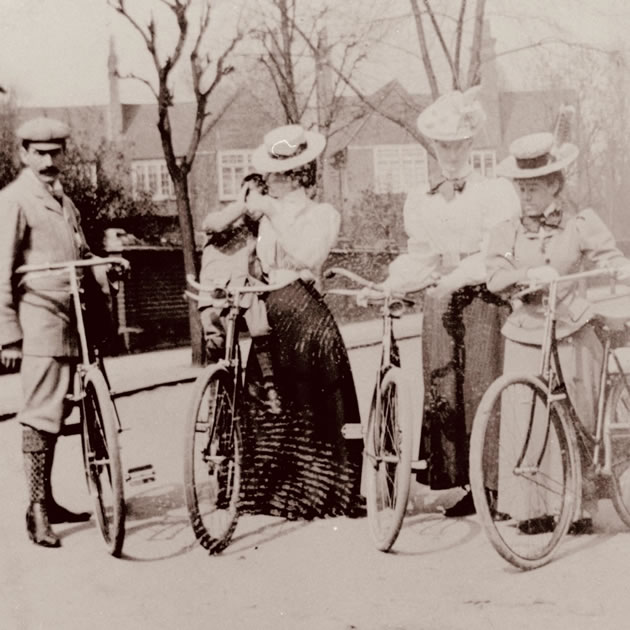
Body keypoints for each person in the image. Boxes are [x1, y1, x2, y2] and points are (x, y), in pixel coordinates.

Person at [368, 87, 520, 517]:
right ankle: (468, 485)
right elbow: (420, 256)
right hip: (441, 301)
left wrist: (451, 280)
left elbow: (494, 253)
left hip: (483, 296)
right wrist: (389, 284)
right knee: (445, 390)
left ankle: (495, 487)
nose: (450, 154)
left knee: (483, 387)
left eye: (458, 145)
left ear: (471, 144)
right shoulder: (422, 199)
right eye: (442, 146)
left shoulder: (493, 192)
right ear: (433, 148)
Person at [486, 131, 630, 534]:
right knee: (529, 413)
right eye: (521, 188)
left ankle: (579, 507)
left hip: (570, 325)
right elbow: (495, 275)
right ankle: (532, 510)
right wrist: (528, 274)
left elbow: (610, 256)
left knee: (577, 412)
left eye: (534, 187)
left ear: (555, 184)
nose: (526, 196)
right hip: (526, 330)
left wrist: (618, 267)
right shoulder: (506, 231)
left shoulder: (581, 223)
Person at [236, 124, 364, 519]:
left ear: (296, 176)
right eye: (270, 175)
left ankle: (320, 492)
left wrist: (273, 212)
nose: (268, 183)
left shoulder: (321, 214)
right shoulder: (266, 215)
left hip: (304, 308)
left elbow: (310, 254)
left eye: (275, 175)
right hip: (269, 306)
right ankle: (276, 493)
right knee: (272, 399)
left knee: (313, 400)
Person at [0, 117, 94, 548]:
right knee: (40, 414)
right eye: (39, 153)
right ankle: (36, 509)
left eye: (55, 152)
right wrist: (9, 335)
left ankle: (50, 500)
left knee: (59, 414)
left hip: (72, 319)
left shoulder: (64, 201)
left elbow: (80, 250)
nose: (49, 160)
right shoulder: (14, 200)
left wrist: (105, 265)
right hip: (38, 318)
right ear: (23, 154)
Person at [198, 172, 280, 413]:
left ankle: (269, 390)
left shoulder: (259, 231)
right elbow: (215, 224)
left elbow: (265, 264)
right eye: (253, 194)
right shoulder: (221, 220)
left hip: (246, 298)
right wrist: (243, 203)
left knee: (263, 331)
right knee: (217, 348)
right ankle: (216, 409)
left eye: (261, 195)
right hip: (216, 297)